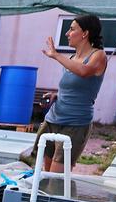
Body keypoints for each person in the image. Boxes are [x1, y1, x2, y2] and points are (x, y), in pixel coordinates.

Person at [36, 15, 107, 172]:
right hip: (53, 120)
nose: (67, 33)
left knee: (56, 181)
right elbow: (73, 86)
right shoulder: (72, 58)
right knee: (44, 175)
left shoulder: (98, 56)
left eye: (72, 29)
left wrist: (55, 55)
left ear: (85, 33)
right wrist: (57, 95)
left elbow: (83, 71)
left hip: (75, 125)